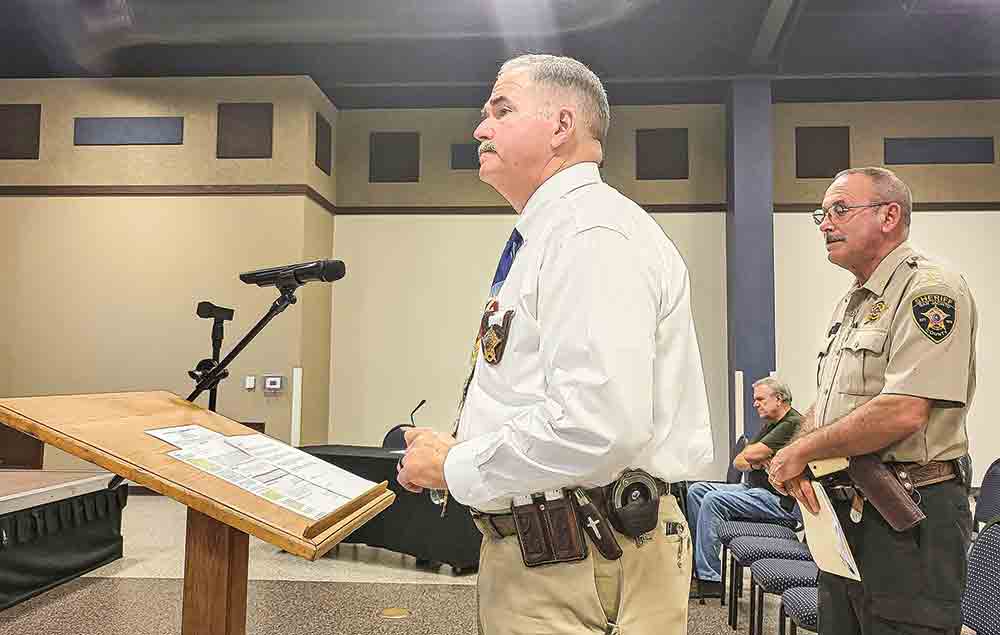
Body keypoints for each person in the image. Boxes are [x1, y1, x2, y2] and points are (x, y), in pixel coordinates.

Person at [396, 54, 713, 635]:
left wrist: (455, 463)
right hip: (567, 549)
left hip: (584, 555)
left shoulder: (588, 233)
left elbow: (596, 423)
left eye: (501, 109)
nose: (479, 128)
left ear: (561, 126)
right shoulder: (556, 232)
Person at [768, 167, 976, 635]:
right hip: (847, 516)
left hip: (908, 516)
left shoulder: (929, 290)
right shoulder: (854, 302)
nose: (825, 223)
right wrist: (798, 452)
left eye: (840, 209)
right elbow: (828, 404)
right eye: (822, 213)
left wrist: (800, 451)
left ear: (889, 215)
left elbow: (904, 408)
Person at [685, 376, 802, 597]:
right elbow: (739, 460)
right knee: (697, 491)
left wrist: (754, 457)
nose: (755, 403)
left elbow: (748, 455)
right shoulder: (771, 425)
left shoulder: (792, 423)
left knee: (713, 500)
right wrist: (758, 460)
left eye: (760, 399)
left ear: (779, 399)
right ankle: (697, 568)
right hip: (754, 492)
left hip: (778, 501)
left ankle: (710, 579)